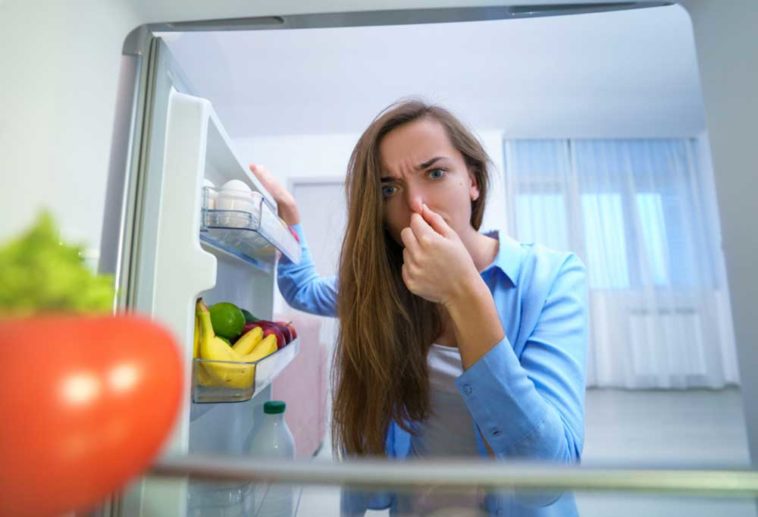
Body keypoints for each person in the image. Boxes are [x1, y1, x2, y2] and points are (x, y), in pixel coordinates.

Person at [249, 99, 588, 516]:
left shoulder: (551, 278)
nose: (415, 204)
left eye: (436, 173)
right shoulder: (385, 288)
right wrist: (291, 218)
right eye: (389, 188)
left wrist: (462, 290)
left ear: (474, 181)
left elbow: (548, 474)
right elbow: (304, 290)